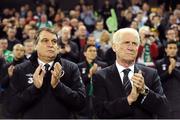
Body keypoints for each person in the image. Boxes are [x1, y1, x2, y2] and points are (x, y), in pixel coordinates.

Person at [7, 28, 86, 118]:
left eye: (54, 41)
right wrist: (34, 88)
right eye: (45, 41)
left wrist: (58, 86)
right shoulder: (20, 69)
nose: (51, 45)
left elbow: (81, 103)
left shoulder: (72, 68)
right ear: (35, 45)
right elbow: (12, 107)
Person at [93, 28, 169, 118]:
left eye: (134, 43)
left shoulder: (151, 74)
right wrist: (129, 100)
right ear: (114, 47)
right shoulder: (100, 76)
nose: (131, 47)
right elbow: (100, 112)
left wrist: (144, 90)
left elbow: (163, 108)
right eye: (126, 43)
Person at [155, 41, 180, 118]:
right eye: (170, 48)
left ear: (177, 50)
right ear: (166, 49)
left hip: (178, 99)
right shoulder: (159, 63)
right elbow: (157, 80)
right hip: (164, 98)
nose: (172, 50)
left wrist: (173, 69)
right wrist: (168, 72)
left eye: (174, 48)